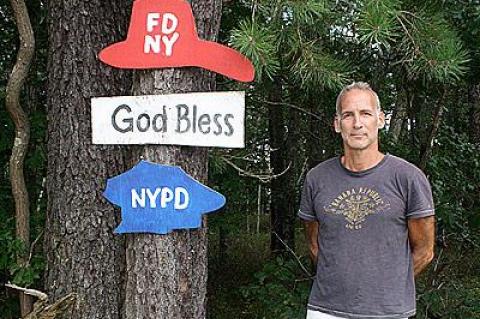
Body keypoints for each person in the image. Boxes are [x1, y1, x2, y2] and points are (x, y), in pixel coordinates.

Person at [298, 82, 435, 319]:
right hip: (325, 310)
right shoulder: (316, 178)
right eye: (348, 115)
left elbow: (424, 251)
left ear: (380, 120)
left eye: (365, 114)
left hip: (389, 312)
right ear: (337, 124)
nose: (357, 123)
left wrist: (385, 288)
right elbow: (314, 243)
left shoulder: (408, 177)